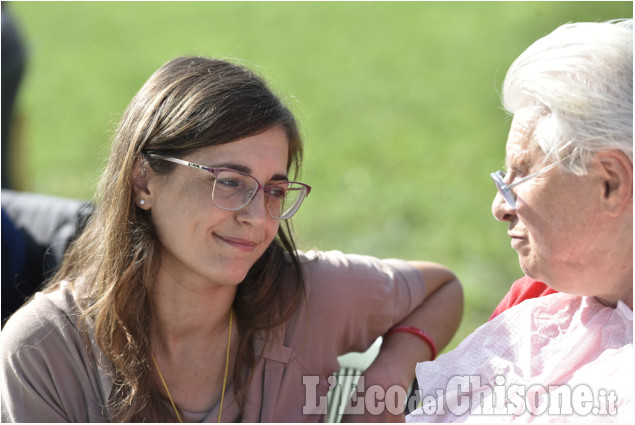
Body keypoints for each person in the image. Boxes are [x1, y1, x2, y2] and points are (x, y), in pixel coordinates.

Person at [0, 56, 463, 422]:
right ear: (143, 181)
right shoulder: (44, 350)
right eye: (228, 181)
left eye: (275, 191)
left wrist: (388, 378)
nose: (257, 217)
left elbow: (442, 289)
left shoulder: (308, 296)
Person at [407, 19, 632, 422]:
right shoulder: (536, 297)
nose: (499, 206)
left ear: (610, 183)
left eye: (521, 175)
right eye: (501, 178)